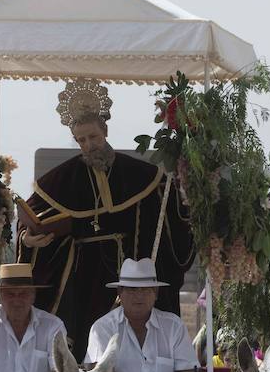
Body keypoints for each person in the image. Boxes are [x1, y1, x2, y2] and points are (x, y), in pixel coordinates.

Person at [17, 78, 194, 355]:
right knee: (85, 335)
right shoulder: (59, 181)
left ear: (106, 131)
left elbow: (172, 216)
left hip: (128, 266)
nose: (89, 145)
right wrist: (28, 240)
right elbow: (28, 220)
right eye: (82, 140)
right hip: (83, 272)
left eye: (94, 137)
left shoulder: (142, 176)